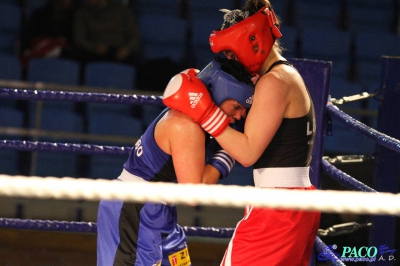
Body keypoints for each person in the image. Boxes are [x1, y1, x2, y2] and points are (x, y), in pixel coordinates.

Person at [162, 0, 321, 265]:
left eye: (233, 53)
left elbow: (247, 152)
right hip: (287, 203)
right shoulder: (280, 76)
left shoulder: (275, 81)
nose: (231, 60)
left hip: (279, 206)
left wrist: (204, 112)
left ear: (252, 41)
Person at [96, 57, 254, 266]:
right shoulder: (184, 125)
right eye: (236, 106)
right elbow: (193, 193)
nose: (240, 115)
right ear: (219, 93)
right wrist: (227, 155)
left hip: (158, 209)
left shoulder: (194, 121)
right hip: (135, 209)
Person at [72, 0, 141, 66]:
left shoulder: (122, 9)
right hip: (94, 51)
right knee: (79, 55)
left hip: (119, 49)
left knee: (134, 58)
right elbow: (79, 39)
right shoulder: (82, 13)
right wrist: (94, 47)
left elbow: (134, 37)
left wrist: (126, 49)